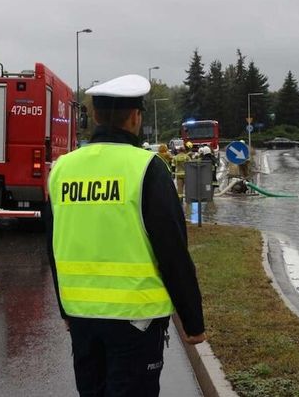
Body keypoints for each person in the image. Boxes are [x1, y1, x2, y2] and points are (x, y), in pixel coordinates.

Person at [46, 74, 205, 396]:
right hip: (136, 319)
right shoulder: (148, 167)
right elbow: (172, 250)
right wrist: (193, 321)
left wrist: (65, 309)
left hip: (82, 316)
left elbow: (52, 245)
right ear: (135, 117)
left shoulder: (62, 169)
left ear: (94, 116)